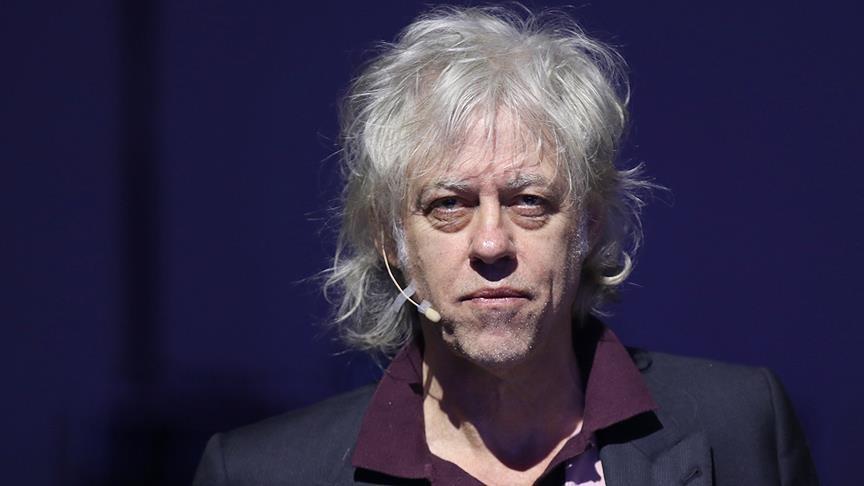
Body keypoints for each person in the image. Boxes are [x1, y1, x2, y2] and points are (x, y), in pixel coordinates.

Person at [193, 6, 818, 485]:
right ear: (391, 240)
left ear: (589, 224)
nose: (491, 242)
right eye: (448, 204)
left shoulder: (742, 427)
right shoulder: (258, 473)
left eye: (529, 201)